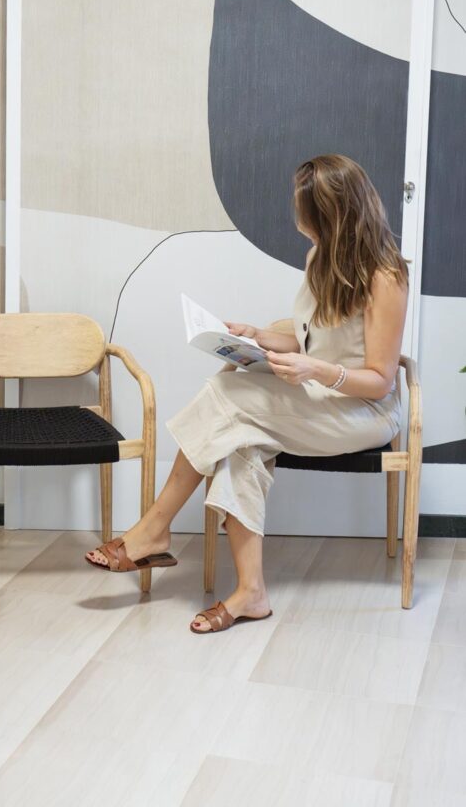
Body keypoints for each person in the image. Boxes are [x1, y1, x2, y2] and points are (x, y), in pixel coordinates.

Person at [85, 154, 409, 634]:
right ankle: (251, 592)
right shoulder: (321, 256)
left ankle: (152, 528)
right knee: (240, 443)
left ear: (333, 215)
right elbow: (312, 337)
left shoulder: (386, 277)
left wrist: (314, 370)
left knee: (227, 393)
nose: (296, 216)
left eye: (306, 209)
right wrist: (257, 336)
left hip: (363, 412)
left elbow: (381, 378)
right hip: (320, 401)